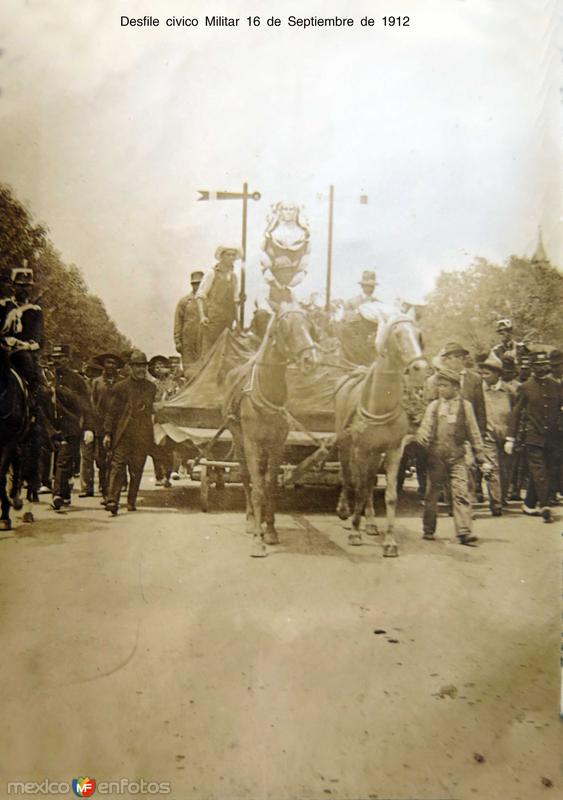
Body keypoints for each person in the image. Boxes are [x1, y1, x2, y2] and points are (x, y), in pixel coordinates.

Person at [414, 366, 491, 545]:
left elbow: (474, 433)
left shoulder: (466, 406)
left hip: (457, 457)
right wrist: (421, 437)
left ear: (456, 387)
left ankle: (464, 530)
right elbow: (425, 427)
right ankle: (428, 529)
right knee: (432, 494)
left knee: (462, 493)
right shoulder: (434, 406)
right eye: (439, 386)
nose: (441, 389)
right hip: (436, 458)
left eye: (445, 386)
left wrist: (481, 458)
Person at [505, 352, 562, 522]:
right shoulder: (526, 387)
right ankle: (545, 505)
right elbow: (515, 413)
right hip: (533, 437)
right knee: (538, 472)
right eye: (537, 365)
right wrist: (510, 438)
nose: (541, 368)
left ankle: (529, 503)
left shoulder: (556, 385)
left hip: (553, 438)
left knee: (550, 471)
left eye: (544, 364)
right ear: (531, 367)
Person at [104, 350, 157, 515]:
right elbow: (111, 412)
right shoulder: (120, 387)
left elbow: (153, 410)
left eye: (143, 366)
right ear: (130, 367)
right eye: (137, 366)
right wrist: (107, 433)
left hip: (142, 434)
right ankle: (112, 500)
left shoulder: (151, 387)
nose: (141, 370)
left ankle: (131, 500)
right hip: (124, 433)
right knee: (117, 466)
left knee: (137, 469)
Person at [49, 344, 95, 510]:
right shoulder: (46, 377)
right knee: (58, 463)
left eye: (61, 357)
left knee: (64, 461)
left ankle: (57, 495)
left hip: (69, 426)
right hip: (48, 426)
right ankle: (65, 493)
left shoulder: (77, 380)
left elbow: (86, 406)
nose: (58, 361)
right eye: (55, 358)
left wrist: (89, 428)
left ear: (68, 359)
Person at [82, 352, 124, 502]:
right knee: (101, 460)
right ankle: (103, 486)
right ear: (103, 365)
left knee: (115, 459)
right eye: (108, 363)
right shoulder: (96, 383)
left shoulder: (122, 383)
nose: (110, 366)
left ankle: (109, 492)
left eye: (113, 363)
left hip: (118, 425)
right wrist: (91, 425)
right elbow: (91, 404)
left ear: (117, 366)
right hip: (100, 425)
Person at [478, 353, 514, 515]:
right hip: (488, 435)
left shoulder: (510, 391)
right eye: (482, 372)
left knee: (506, 468)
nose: (484, 376)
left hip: (507, 436)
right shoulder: (479, 391)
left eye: (488, 373)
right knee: (492, 468)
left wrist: (513, 436)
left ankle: (502, 496)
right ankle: (496, 503)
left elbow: (517, 413)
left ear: (498, 374)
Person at [196, 246, 241, 355]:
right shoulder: (212, 273)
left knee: (227, 351)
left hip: (228, 320)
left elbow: (235, 300)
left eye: (233, 255)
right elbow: (200, 296)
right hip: (213, 319)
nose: (231, 257)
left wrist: (238, 321)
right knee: (210, 351)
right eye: (228, 255)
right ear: (221, 257)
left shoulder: (234, 277)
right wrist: (202, 316)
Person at [174, 270, 204, 370]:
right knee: (190, 371)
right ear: (191, 284)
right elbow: (178, 322)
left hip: (204, 341)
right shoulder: (184, 302)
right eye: (195, 283)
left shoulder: (209, 301)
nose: (197, 286)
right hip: (188, 342)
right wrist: (177, 341)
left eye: (200, 283)